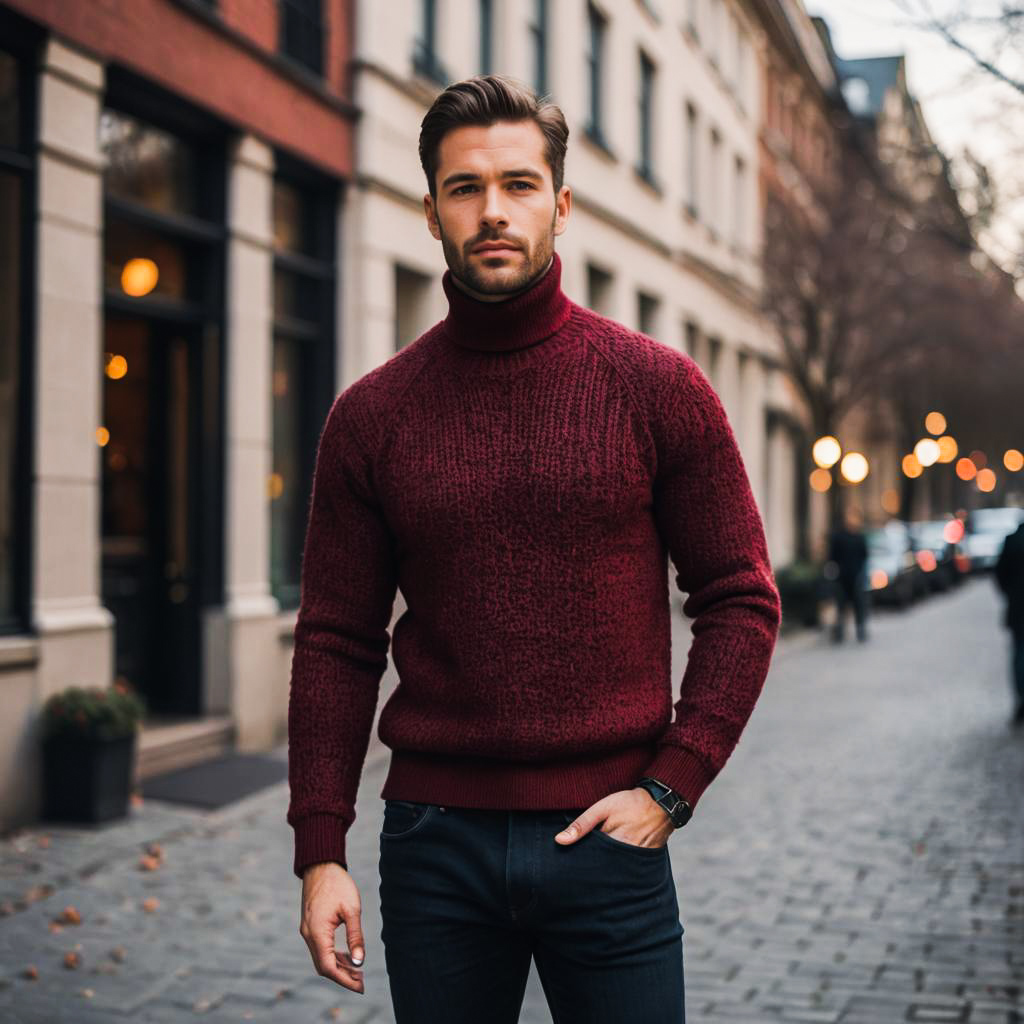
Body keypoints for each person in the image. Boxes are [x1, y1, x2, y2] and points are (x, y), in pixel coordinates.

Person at [286, 74, 781, 1024]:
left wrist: (673, 786)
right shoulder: (372, 416)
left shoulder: (656, 388)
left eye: (518, 184)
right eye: (465, 188)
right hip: (434, 847)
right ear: (431, 212)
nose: (493, 211)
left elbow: (739, 595)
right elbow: (336, 641)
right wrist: (320, 851)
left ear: (560, 203)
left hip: (610, 840)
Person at [994, 518, 1024, 727]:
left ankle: (1022, 699)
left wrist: (1011, 594)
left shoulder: (1013, 540)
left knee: (1020, 655)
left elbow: (1000, 575)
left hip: (1018, 608)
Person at [827, 505, 869, 643]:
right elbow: (832, 556)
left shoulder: (860, 537)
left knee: (859, 605)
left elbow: (865, 556)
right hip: (841, 577)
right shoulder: (838, 537)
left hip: (856, 576)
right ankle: (839, 631)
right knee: (840, 605)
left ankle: (861, 630)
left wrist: (862, 574)